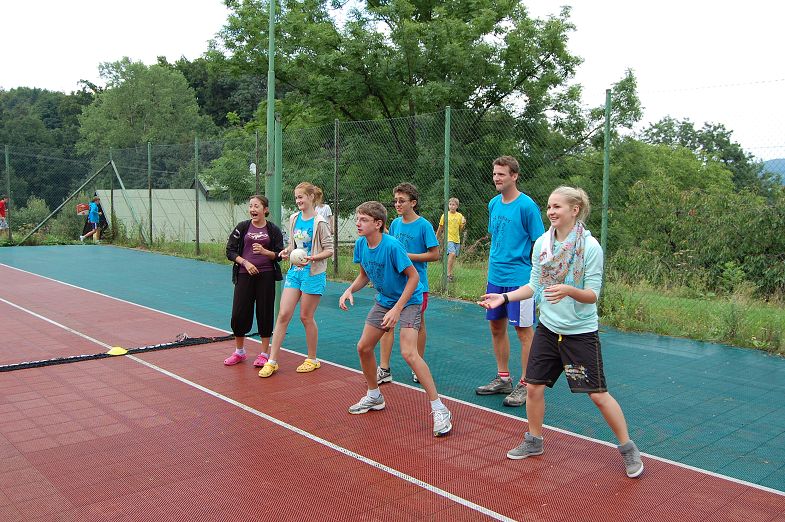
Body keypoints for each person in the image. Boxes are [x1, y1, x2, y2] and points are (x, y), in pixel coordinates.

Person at [479, 186, 643, 478]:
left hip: (580, 333)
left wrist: (568, 290)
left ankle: (628, 449)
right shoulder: (543, 243)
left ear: (574, 210)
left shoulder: (590, 247)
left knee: (598, 395)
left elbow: (592, 295)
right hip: (548, 328)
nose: (551, 212)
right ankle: (534, 441)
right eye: (549, 206)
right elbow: (534, 285)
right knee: (533, 387)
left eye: (557, 206)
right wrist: (503, 298)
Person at [339, 201, 452, 437]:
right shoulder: (361, 244)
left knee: (409, 353)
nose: (358, 223)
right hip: (385, 300)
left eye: (363, 220)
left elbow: (413, 278)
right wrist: (349, 289)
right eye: (357, 219)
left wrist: (398, 309)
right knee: (363, 347)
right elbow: (364, 275)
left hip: (409, 300)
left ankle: (439, 408)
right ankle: (374, 396)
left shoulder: (392, 246)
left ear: (378, 224)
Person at [476, 156, 545, 407]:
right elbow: (496, 238)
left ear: (514, 176)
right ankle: (503, 378)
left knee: (524, 331)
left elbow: (540, 242)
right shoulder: (493, 204)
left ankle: (526, 384)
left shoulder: (527, 206)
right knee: (496, 327)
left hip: (520, 280)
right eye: (495, 174)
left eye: (502, 174)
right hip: (496, 277)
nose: (496, 178)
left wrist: (536, 276)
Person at [259, 182, 334, 378]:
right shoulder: (294, 218)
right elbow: (294, 245)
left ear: (311, 197)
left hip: (313, 273)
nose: (298, 201)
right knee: (283, 314)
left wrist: (312, 258)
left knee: (305, 317)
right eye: (296, 198)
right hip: (295, 272)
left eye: (301, 197)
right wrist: (287, 252)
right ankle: (272, 361)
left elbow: (329, 250)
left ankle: (312, 359)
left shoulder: (320, 222)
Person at [377, 183, 439, 385]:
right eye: (395, 201)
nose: (397, 204)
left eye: (401, 201)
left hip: (417, 285)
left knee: (418, 325)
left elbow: (434, 254)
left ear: (413, 203)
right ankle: (384, 369)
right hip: (395, 285)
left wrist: (407, 256)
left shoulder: (424, 226)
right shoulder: (395, 224)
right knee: (387, 323)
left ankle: (417, 366)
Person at [224, 195, 285, 368]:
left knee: (265, 312)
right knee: (238, 314)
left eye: (256, 206)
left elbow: (279, 255)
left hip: (266, 276)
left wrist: (265, 252)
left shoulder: (273, 230)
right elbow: (230, 251)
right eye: (251, 206)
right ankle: (239, 352)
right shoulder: (242, 227)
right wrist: (245, 262)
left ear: (265, 209)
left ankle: (264, 354)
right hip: (244, 275)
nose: (252, 209)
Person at [435, 197, 467, 282]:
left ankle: (449, 274)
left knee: (453, 257)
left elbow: (461, 229)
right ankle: (448, 275)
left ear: (457, 206)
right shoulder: (445, 215)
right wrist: (436, 238)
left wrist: (464, 223)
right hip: (448, 239)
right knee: (452, 254)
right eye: (450, 204)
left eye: (453, 205)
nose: (452, 206)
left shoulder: (459, 216)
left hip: (457, 240)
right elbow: (440, 228)